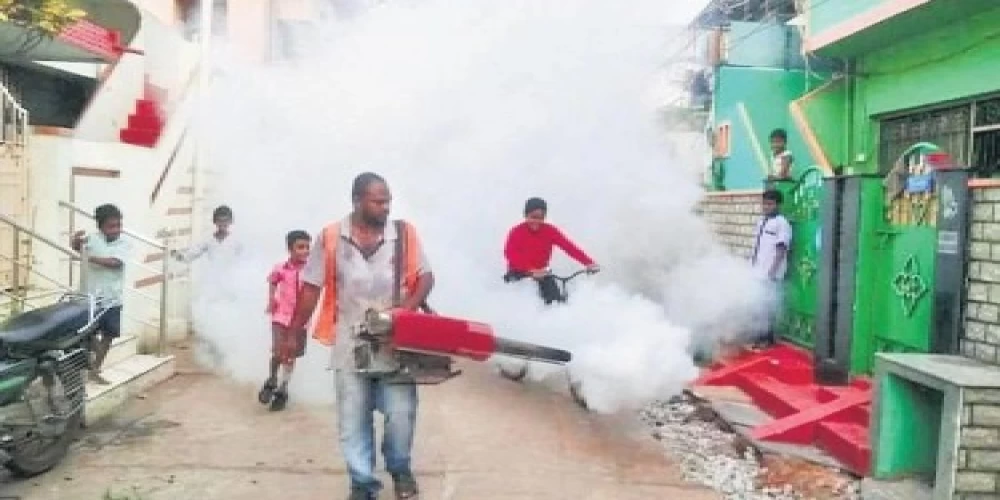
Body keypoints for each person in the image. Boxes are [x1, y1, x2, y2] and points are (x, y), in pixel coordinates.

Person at [287, 172, 433, 500]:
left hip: (396, 345)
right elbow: (311, 287)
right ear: (357, 200)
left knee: (400, 415)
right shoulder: (329, 237)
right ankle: (363, 483)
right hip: (349, 345)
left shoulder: (404, 234)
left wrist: (407, 309)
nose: (385, 207)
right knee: (353, 420)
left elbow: (426, 276)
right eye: (378, 201)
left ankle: (399, 467)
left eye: (388, 201)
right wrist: (295, 331)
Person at [71, 204, 131, 385]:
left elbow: (115, 263)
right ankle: (89, 366)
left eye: (118, 225)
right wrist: (76, 241)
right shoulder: (92, 239)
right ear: (100, 226)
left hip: (112, 298)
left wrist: (88, 257)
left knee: (109, 334)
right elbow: (77, 248)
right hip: (90, 297)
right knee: (86, 334)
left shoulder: (124, 243)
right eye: (111, 226)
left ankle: (95, 369)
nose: (116, 230)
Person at [503, 197, 600, 304]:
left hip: (543, 274)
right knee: (520, 302)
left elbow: (569, 247)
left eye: (541, 217)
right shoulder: (516, 232)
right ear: (526, 215)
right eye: (533, 217)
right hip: (518, 274)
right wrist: (531, 270)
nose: (537, 221)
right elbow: (510, 254)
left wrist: (589, 263)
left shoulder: (550, 231)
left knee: (556, 303)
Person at [258, 230, 311, 411]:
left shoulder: (311, 270)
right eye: (300, 247)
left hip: (301, 320)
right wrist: (271, 299)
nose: (304, 251)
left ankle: (283, 388)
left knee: (291, 355)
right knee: (279, 352)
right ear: (290, 249)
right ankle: (272, 379)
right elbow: (273, 281)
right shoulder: (280, 267)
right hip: (281, 316)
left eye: (307, 247)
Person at [750, 189, 792, 349]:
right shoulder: (761, 222)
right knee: (758, 306)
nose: (767, 207)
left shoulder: (782, 223)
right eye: (765, 203)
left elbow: (781, 250)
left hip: (771, 274)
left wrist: (772, 272)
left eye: (770, 204)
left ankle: (768, 340)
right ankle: (759, 337)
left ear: (778, 205)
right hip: (757, 272)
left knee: (768, 307)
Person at [171, 205, 243, 264]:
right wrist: (177, 255)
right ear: (215, 221)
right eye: (220, 221)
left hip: (232, 277)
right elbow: (193, 253)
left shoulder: (237, 241)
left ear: (230, 221)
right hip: (213, 276)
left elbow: (242, 261)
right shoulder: (208, 240)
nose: (222, 223)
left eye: (225, 221)